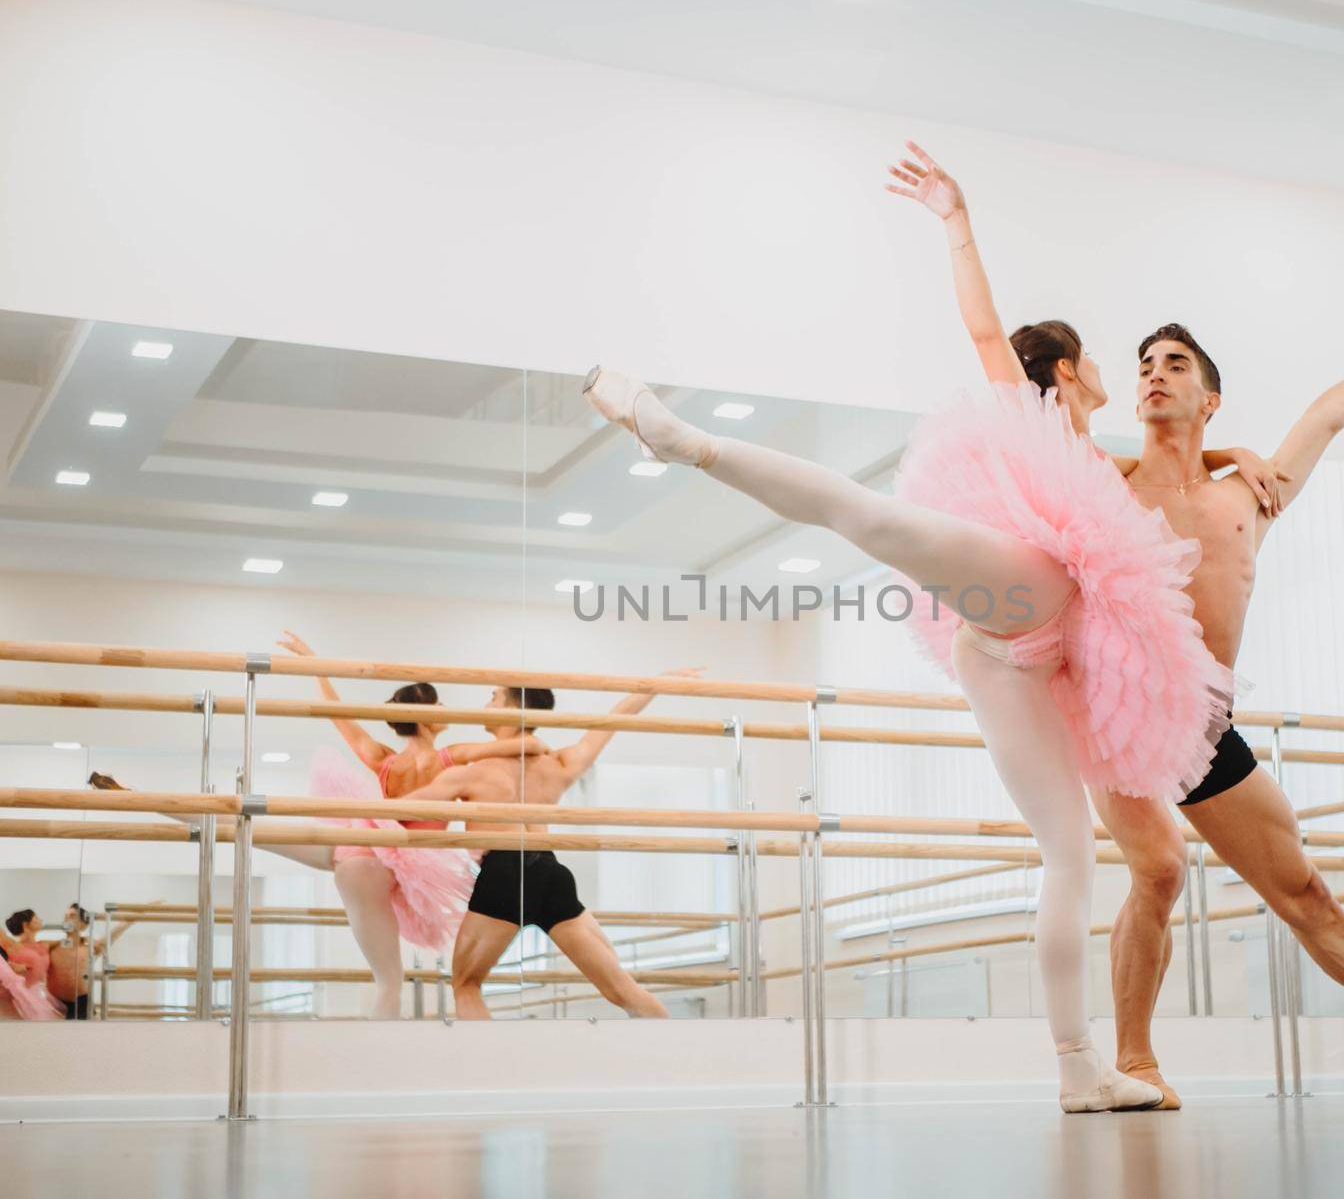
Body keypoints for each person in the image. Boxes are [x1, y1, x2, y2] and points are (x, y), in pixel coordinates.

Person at [577, 182, 1287, 1105]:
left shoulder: (1108, 457)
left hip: (1003, 659)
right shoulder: (1045, 421)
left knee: (1070, 856)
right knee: (867, 516)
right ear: (1069, 371)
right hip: (1030, 595)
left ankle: (1081, 1071)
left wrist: (1234, 456)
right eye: (1108, 362)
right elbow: (987, 329)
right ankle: (684, 441)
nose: (1133, 374)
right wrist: (957, 223)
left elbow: (1163, 463)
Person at [886, 142, 1344, 1104]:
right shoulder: (1106, 481)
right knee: (1156, 868)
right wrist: (956, 224)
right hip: (1119, 710)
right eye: (1142, 362)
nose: (1151, 373)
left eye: (1173, 364)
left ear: (1209, 394)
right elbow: (993, 356)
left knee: (1304, 893)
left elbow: (1323, 421)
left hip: (1207, 717)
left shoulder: (1250, 493)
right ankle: (1134, 1061)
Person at [271, 631, 561, 1018]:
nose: (446, 708)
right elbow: (525, 746)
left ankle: (203, 813)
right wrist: (531, 742)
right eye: (439, 704)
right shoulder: (451, 758)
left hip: (354, 847)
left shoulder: (383, 758)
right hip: (378, 864)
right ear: (427, 717)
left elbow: (340, 718)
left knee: (266, 832)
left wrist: (315, 666)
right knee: (389, 981)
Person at [392, 671, 704, 1022]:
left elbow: (403, 810)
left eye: (494, 697)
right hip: (550, 873)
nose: (486, 704)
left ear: (514, 708)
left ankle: (486, 1069)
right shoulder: (560, 764)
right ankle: (674, 1059)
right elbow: (615, 719)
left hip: (504, 873)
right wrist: (657, 683)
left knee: (466, 983)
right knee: (623, 990)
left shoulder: (472, 772)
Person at [46, 903, 133, 1019]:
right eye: (65, 916)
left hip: (82, 1004)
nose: (66, 919)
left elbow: (116, 932)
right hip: (55, 1004)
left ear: (83, 924)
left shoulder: (91, 947)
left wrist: (141, 913)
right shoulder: (51, 947)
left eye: (72, 916)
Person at [0, 910, 65, 1020]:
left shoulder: (44, 944)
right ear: (26, 924)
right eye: (36, 918)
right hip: (17, 997)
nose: (41, 920)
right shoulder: (13, 946)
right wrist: (12, 966)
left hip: (40, 994)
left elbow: (66, 941)